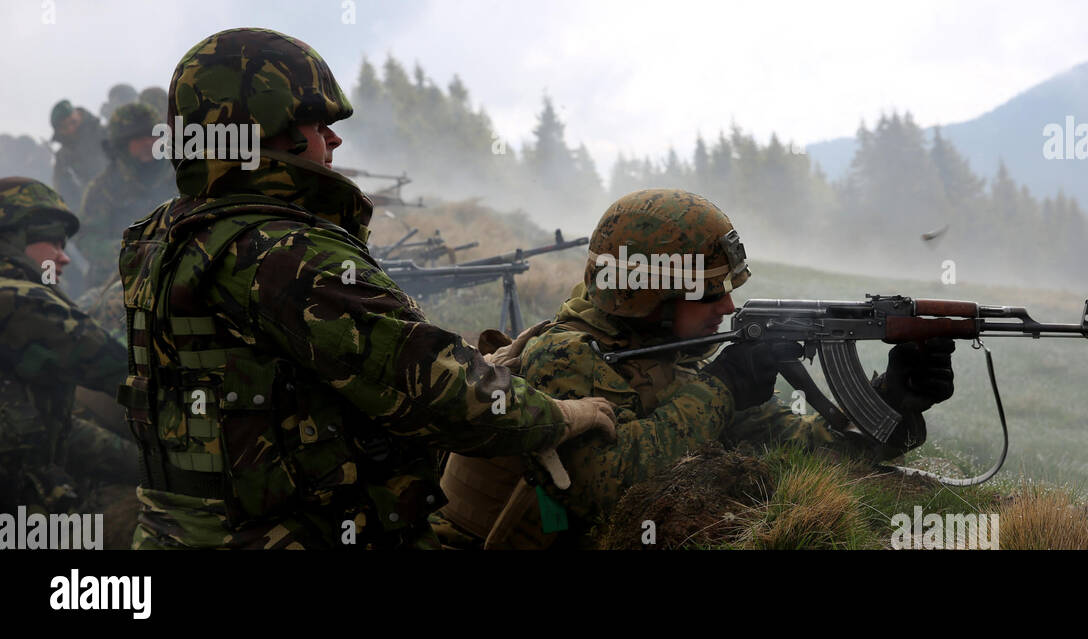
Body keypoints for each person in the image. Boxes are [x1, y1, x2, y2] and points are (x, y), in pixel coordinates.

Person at [119, 27, 615, 550]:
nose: (333, 139)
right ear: (269, 135)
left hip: (172, 530)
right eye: (315, 122)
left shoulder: (157, 237)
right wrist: (561, 416)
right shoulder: (284, 252)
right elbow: (443, 394)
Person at [436, 189, 956, 548]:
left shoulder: (680, 368)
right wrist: (721, 390)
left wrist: (893, 400)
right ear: (650, 295)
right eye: (710, 293)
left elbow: (809, 454)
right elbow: (598, 491)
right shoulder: (564, 356)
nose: (727, 308)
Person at [0, 176, 136, 516]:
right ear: (15, 240)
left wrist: (140, 466)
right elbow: (123, 373)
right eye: (55, 245)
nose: (65, 259)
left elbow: (58, 430)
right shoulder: (20, 300)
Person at [79, 102, 176, 277]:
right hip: (125, 274)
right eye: (137, 138)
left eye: (151, 135)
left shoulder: (181, 173)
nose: (147, 142)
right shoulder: (103, 188)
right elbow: (88, 240)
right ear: (122, 144)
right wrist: (131, 250)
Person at [48, 100, 108, 212]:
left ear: (79, 116)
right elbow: (62, 190)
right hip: (88, 211)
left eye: (73, 122)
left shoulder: (105, 134)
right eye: (64, 127)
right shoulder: (62, 157)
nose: (71, 129)